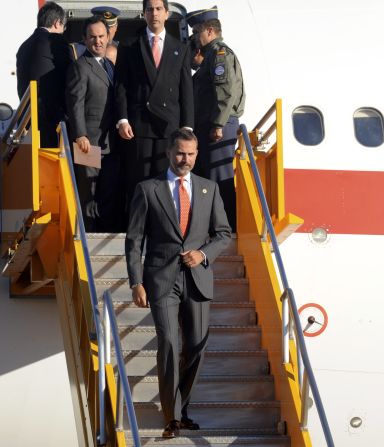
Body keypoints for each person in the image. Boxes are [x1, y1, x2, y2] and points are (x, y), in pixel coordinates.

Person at [125, 129, 231, 438]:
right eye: (181, 153)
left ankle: (182, 407)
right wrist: (136, 281)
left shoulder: (209, 189)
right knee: (170, 342)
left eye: (191, 154)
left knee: (197, 344)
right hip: (161, 280)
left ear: (197, 155)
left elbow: (223, 233)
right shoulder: (148, 189)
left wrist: (202, 254)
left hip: (197, 279)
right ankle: (172, 417)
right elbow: (134, 241)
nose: (186, 160)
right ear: (169, 152)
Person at [115, 0, 194, 209]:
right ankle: (137, 229)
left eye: (159, 9)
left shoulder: (180, 48)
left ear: (167, 14)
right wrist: (122, 119)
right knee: (138, 182)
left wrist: (187, 126)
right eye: (150, 9)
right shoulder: (129, 45)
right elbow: (121, 85)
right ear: (144, 14)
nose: (154, 13)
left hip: (169, 127)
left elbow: (186, 89)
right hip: (138, 125)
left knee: (165, 184)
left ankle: (162, 230)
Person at [187, 6, 245, 230]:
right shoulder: (210, 56)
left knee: (220, 179)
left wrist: (218, 124)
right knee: (208, 179)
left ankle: (227, 228)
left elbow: (225, 91)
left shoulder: (220, 54)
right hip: (209, 124)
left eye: (197, 31)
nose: (195, 37)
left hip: (218, 125)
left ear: (209, 31)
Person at [65, 16, 121, 232]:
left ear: (108, 37)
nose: (97, 41)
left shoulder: (110, 65)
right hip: (88, 142)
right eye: (92, 37)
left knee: (109, 194)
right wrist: (80, 135)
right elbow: (75, 103)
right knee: (89, 195)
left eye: (101, 36)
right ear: (84, 40)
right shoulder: (81, 66)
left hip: (111, 143)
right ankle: (89, 239)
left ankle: (106, 234)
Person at [16, 1, 71, 148]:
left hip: (28, 118)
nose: (63, 31)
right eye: (63, 27)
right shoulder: (55, 41)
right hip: (52, 118)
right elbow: (70, 76)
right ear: (56, 23)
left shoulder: (24, 46)